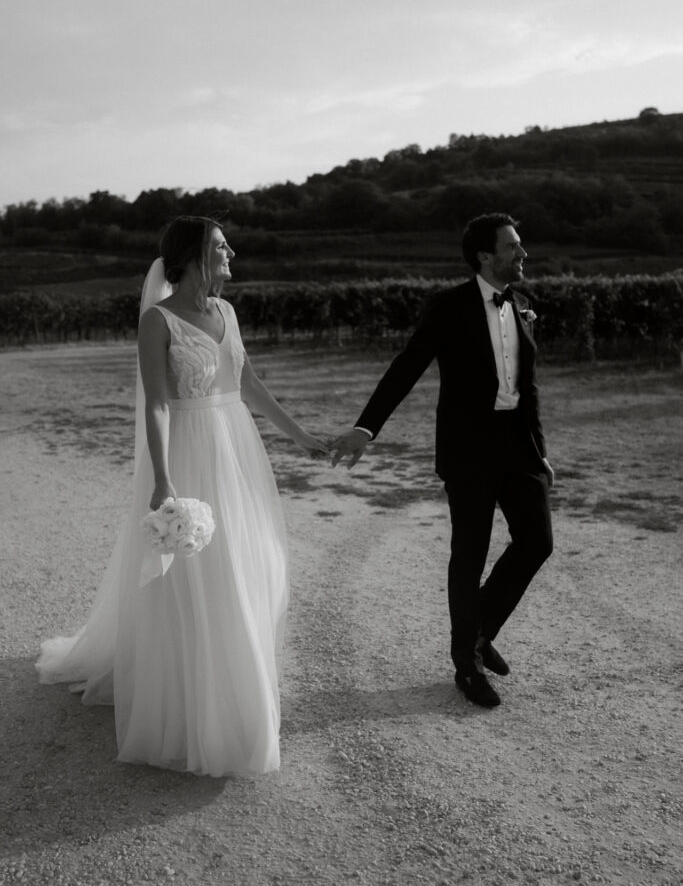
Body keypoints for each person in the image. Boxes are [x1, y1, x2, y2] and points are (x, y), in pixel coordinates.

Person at [37, 216, 328, 775]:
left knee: (254, 560)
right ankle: (199, 703)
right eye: (220, 247)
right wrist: (164, 479)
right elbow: (157, 404)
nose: (231, 253)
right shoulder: (158, 320)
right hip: (190, 451)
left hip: (237, 447)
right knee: (198, 576)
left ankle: (239, 690)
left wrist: (302, 437)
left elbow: (248, 383)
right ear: (193, 256)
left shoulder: (228, 313)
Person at [331, 213, 554, 708]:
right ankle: (466, 666)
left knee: (537, 541)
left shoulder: (523, 304)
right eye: (513, 246)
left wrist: (541, 451)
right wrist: (366, 428)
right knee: (469, 555)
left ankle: (478, 631)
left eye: (520, 246)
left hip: (519, 448)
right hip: (468, 450)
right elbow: (407, 366)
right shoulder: (449, 306)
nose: (523, 254)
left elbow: (528, 386)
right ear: (484, 256)